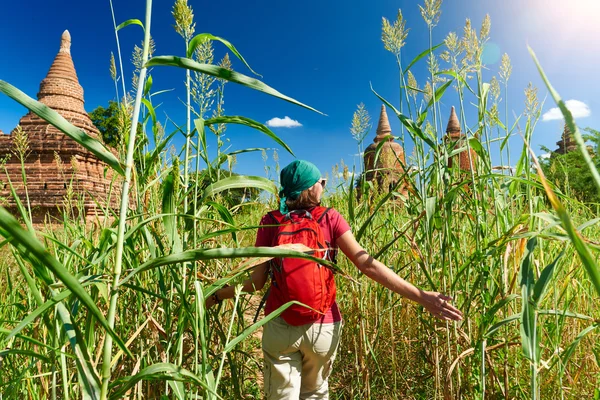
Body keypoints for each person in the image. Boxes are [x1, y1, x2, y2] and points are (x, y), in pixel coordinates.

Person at [206, 160, 463, 399]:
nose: (323, 186)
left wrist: (216, 294)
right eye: (321, 182)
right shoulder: (330, 218)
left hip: (280, 326)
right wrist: (422, 296)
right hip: (323, 327)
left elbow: (255, 283)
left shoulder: (271, 221)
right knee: (315, 393)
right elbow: (367, 265)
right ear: (311, 188)